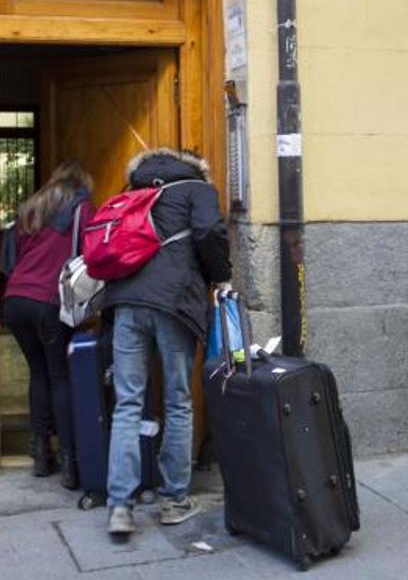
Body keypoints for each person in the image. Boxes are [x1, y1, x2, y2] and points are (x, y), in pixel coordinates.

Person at [100, 148, 231, 536]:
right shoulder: (198, 189)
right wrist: (221, 275)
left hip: (125, 301)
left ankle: (120, 507)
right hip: (174, 303)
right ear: (196, 167)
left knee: (127, 403)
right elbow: (210, 232)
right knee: (177, 399)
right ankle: (174, 501)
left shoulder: (134, 189)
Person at [1, 160, 95, 490]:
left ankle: (41, 454)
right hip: (48, 302)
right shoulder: (81, 208)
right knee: (60, 377)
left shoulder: (31, 208)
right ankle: (70, 461)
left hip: (15, 299)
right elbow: (90, 253)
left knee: (38, 374)